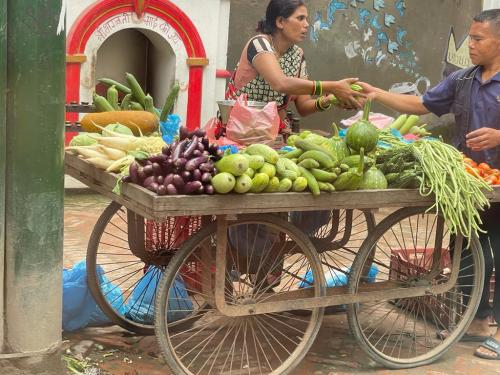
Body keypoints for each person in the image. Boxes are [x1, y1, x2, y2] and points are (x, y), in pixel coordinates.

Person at [358, 9, 500, 360]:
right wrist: (376, 93)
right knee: (467, 249)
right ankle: (477, 321)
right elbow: (421, 104)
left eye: (478, 39)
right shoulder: (463, 79)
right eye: (470, 38)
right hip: (471, 182)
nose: (471, 45)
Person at [225, 0, 366, 133]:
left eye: (306, 19)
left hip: (271, 132)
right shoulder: (259, 44)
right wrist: (333, 86)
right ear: (280, 21)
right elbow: (280, 83)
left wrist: (328, 99)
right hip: (240, 129)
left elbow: (303, 106)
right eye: (300, 18)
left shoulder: (298, 55)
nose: (307, 24)